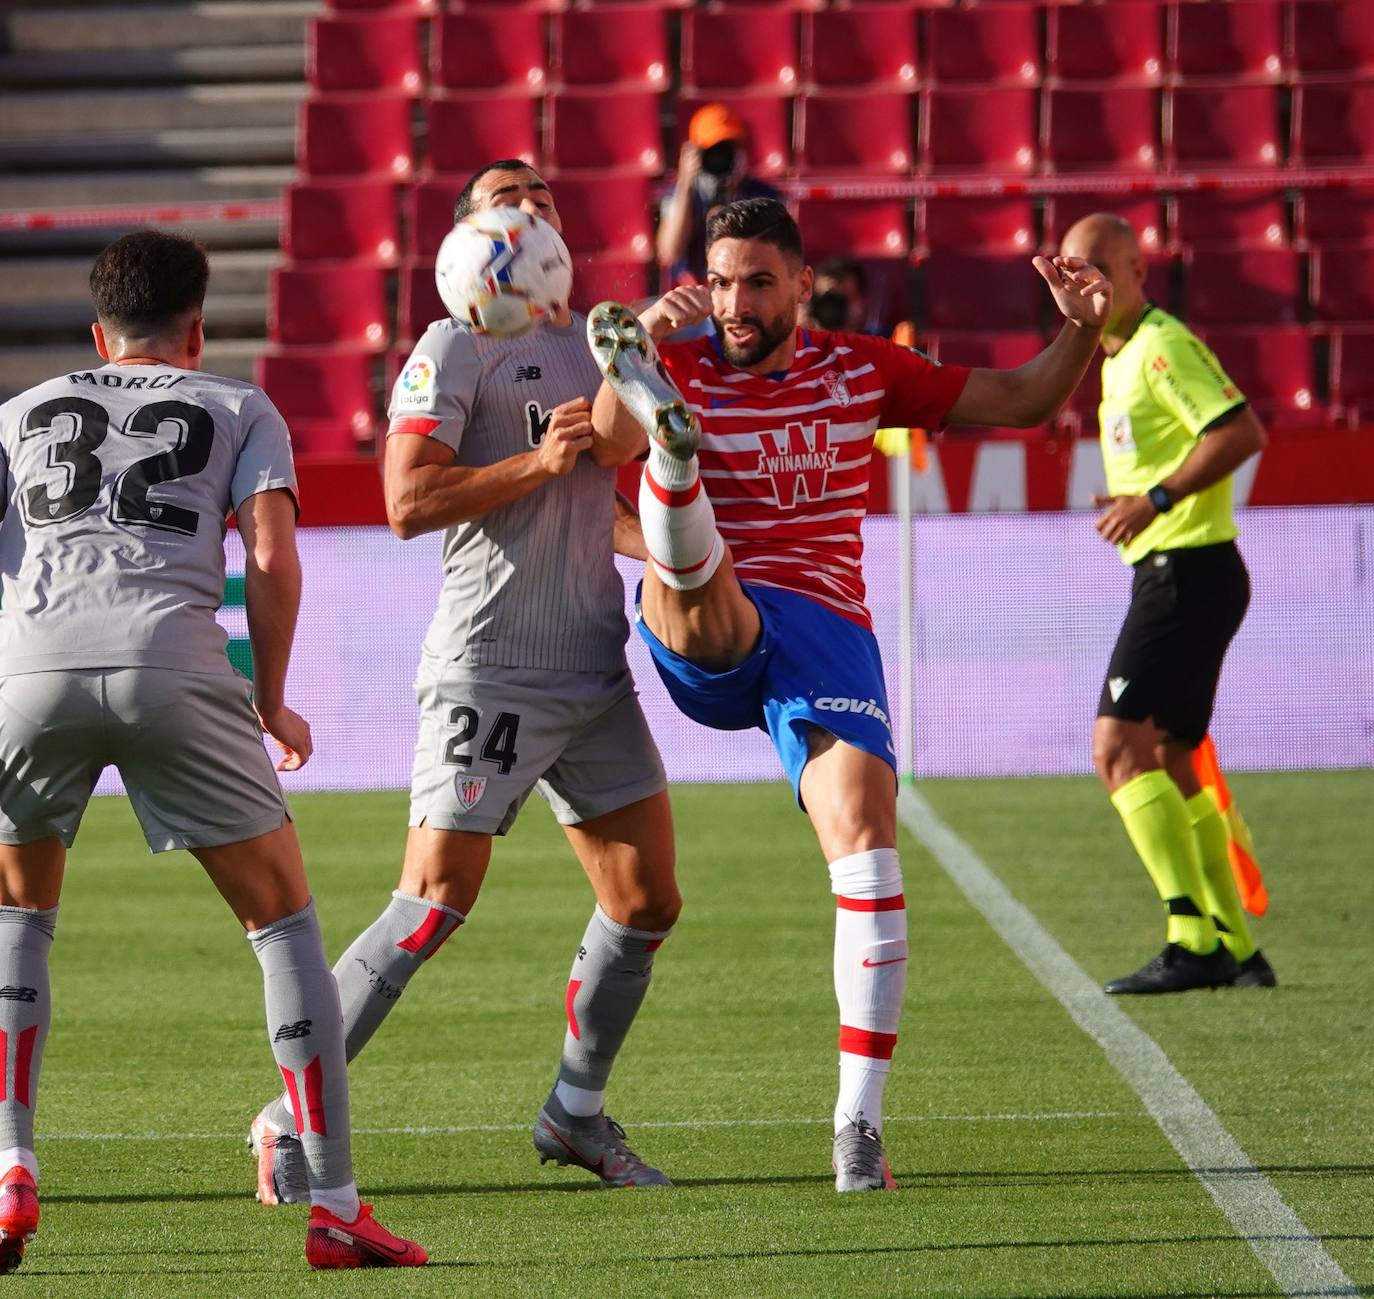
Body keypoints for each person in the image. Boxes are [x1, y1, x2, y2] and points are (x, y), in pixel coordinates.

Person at [586, 197, 1110, 1191]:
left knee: (866, 834)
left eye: (756, 283)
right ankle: (679, 478)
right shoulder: (680, 359)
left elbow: (1022, 401)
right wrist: (645, 355)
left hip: (826, 632)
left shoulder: (864, 368)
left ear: (800, 285)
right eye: (723, 281)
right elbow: (601, 447)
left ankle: (856, 1132)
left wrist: (1081, 328)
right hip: (711, 610)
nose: (735, 303)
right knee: (697, 568)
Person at [248, 159, 681, 1203]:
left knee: (646, 896)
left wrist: (672, 550)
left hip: (592, 667)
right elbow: (405, 500)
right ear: (468, 235)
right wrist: (534, 465)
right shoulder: (452, 345)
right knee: (434, 903)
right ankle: (284, 1120)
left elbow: (595, 490)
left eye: (542, 194)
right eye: (506, 196)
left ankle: (574, 1113)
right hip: (490, 668)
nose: (530, 204)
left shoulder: (593, 342)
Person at [0, 231, 425, 1271]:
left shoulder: (16, 415)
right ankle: (334, 1203)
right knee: (282, 924)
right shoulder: (239, 405)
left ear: (99, 332)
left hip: (30, 669)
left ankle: (8, 1158)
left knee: (18, 916)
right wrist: (271, 702)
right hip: (175, 660)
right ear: (196, 329)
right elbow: (273, 560)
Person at [1058, 213, 1275, 996]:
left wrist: (1153, 498)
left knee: (1116, 747)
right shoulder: (1114, 355)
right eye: (1071, 269)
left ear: (1135, 269)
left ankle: (1191, 936)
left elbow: (1240, 431)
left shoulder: (1157, 346)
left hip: (1186, 569)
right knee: (1176, 759)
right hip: (1190, 571)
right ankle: (1239, 944)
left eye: (1098, 268)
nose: (1084, 281)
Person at [657, 103, 782, 286]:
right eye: (712, 150)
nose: (721, 157)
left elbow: (774, 259)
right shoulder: (682, 194)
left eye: (729, 149)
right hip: (692, 293)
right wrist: (685, 184)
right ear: (695, 154)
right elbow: (669, 253)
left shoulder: (763, 196)